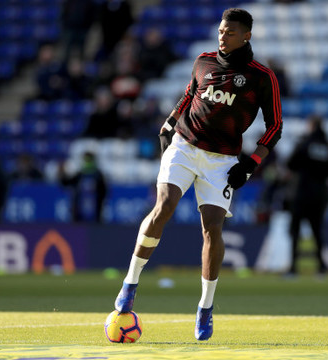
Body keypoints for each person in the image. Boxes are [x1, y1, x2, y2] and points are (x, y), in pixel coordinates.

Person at [113, 8, 282, 341]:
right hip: (185, 146)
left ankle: (205, 308)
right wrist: (168, 124)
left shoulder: (262, 77)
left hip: (222, 161)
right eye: (221, 30)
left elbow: (274, 126)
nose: (223, 36)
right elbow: (189, 95)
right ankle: (130, 284)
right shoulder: (203, 61)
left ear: (246, 35)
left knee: (212, 230)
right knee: (164, 205)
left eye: (230, 32)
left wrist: (251, 164)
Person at [284, 116, 328, 276]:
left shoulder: (304, 143)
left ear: (311, 126)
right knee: (317, 231)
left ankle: (293, 268)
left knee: (295, 231)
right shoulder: (327, 145)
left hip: (301, 192)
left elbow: (290, 163)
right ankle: (322, 267)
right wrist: (323, 173)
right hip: (320, 193)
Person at [58, 151, 107, 222]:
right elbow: (66, 183)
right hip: (79, 212)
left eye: (88, 159)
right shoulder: (80, 174)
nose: (86, 162)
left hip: (95, 214)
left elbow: (104, 192)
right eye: (85, 159)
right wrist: (61, 173)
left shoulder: (98, 175)